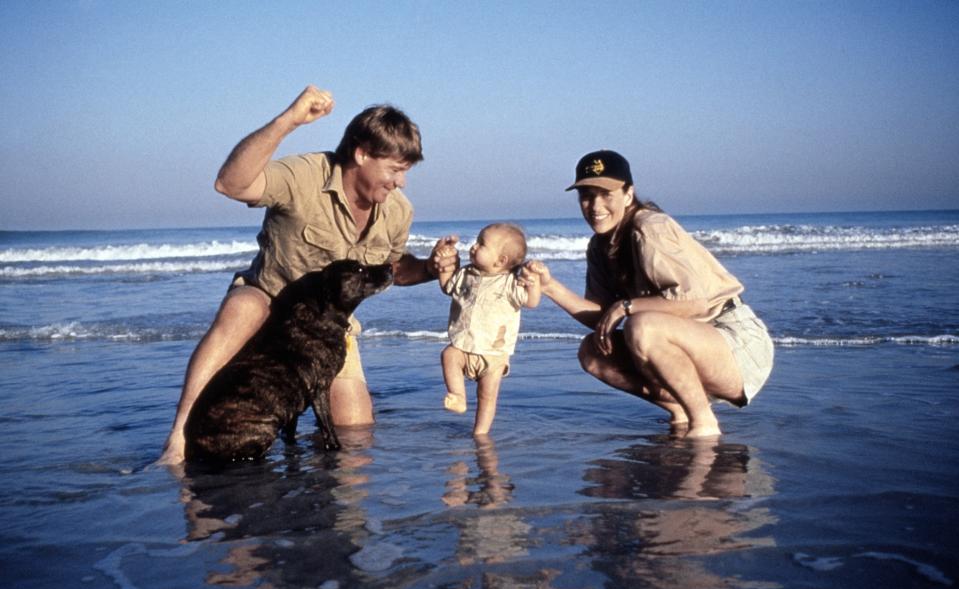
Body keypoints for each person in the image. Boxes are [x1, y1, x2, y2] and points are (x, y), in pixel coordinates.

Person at [158, 85, 458, 464]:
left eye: (406, 172)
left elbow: (393, 270)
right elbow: (229, 184)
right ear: (362, 154)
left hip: (326, 331)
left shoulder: (399, 210)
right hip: (268, 302)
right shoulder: (305, 175)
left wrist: (430, 268)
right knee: (244, 307)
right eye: (396, 170)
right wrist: (289, 121)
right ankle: (179, 437)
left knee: (354, 432)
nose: (402, 182)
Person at [524, 150, 773, 438]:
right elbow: (601, 319)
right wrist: (549, 285)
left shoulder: (649, 226)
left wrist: (626, 306)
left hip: (735, 343)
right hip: (686, 344)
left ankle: (704, 422)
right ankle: (680, 409)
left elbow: (695, 301)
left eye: (606, 194)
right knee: (593, 351)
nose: (595, 206)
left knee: (642, 325)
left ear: (629, 194)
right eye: (587, 196)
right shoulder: (599, 246)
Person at [438, 223, 541, 435]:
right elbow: (448, 287)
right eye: (476, 242)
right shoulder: (466, 274)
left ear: (501, 260)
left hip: (494, 353)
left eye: (481, 244)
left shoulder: (510, 283)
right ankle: (458, 396)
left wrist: (534, 283)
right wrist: (445, 268)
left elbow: (531, 302)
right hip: (463, 346)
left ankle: (480, 432)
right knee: (448, 355)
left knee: (487, 396)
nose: (474, 246)